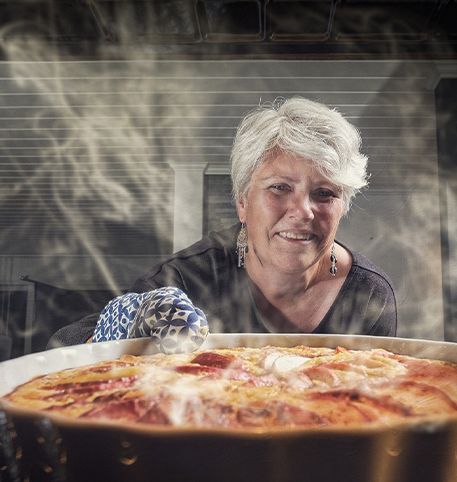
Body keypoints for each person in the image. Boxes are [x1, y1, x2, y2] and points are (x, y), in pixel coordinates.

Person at [49, 96, 397, 348]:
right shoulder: (190, 278)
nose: (303, 211)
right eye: (279, 188)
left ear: (343, 206)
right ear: (243, 203)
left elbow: (377, 412)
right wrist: (125, 330)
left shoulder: (370, 296)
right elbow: (63, 354)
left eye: (324, 193)